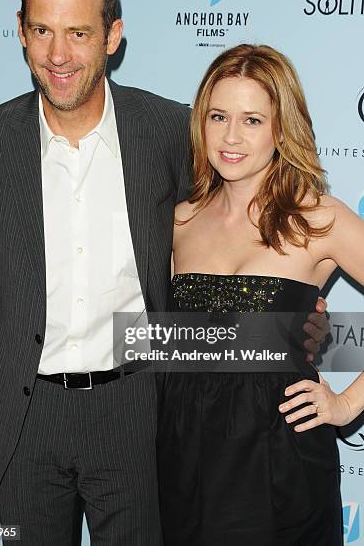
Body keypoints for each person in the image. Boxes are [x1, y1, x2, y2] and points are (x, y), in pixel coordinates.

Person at [0, 0, 328, 546]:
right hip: (24, 419)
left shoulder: (170, 132)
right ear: (21, 31)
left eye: (78, 32)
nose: (58, 55)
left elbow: (233, 238)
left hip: (139, 409)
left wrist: (283, 319)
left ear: (112, 36)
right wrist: (19, 321)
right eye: (42, 31)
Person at [156, 44, 364, 546]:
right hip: (184, 459)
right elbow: (155, 342)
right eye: (218, 116)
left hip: (282, 462)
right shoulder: (178, 221)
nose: (230, 137)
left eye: (252, 120)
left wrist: (346, 405)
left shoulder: (319, 218)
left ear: (281, 128)